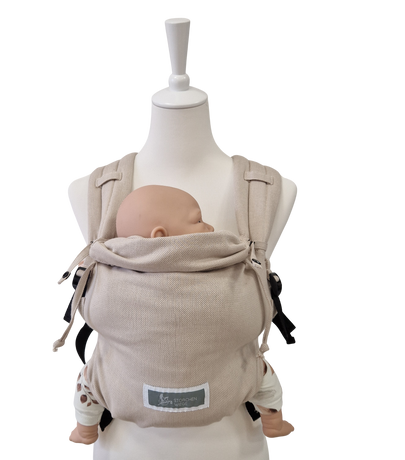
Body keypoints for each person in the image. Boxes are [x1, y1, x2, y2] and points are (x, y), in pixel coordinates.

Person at [66, 185, 297, 448]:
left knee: (86, 381)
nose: (210, 227)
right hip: (229, 400)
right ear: (160, 235)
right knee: (263, 372)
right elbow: (254, 319)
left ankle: (84, 429)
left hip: (122, 398)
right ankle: (274, 421)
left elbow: (92, 315)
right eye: (198, 220)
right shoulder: (231, 256)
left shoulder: (108, 266)